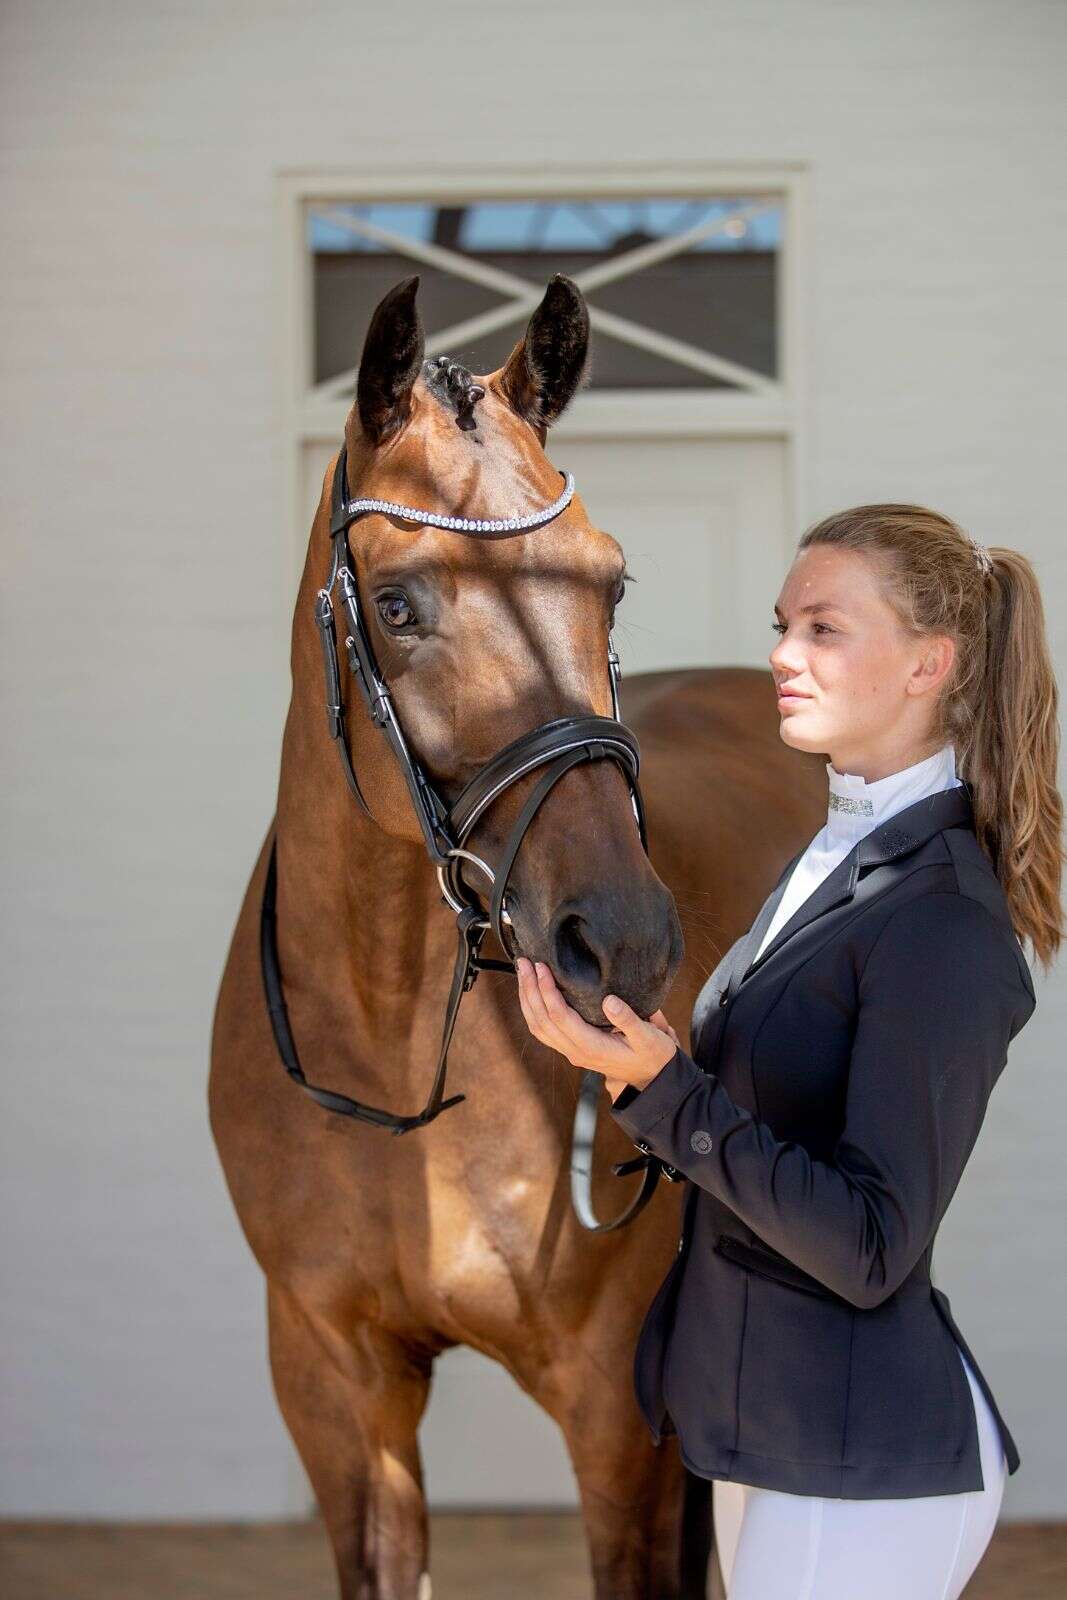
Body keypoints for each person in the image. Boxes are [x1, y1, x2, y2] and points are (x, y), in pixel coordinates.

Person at [514, 504, 1063, 1599]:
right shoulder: (838, 851)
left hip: (855, 1460)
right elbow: (766, 1125)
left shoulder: (940, 917)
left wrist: (668, 1093)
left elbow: (869, 1239)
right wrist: (638, 1067)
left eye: (822, 628)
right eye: (781, 623)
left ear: (928, 663)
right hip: (766, 1432)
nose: (779, 654)